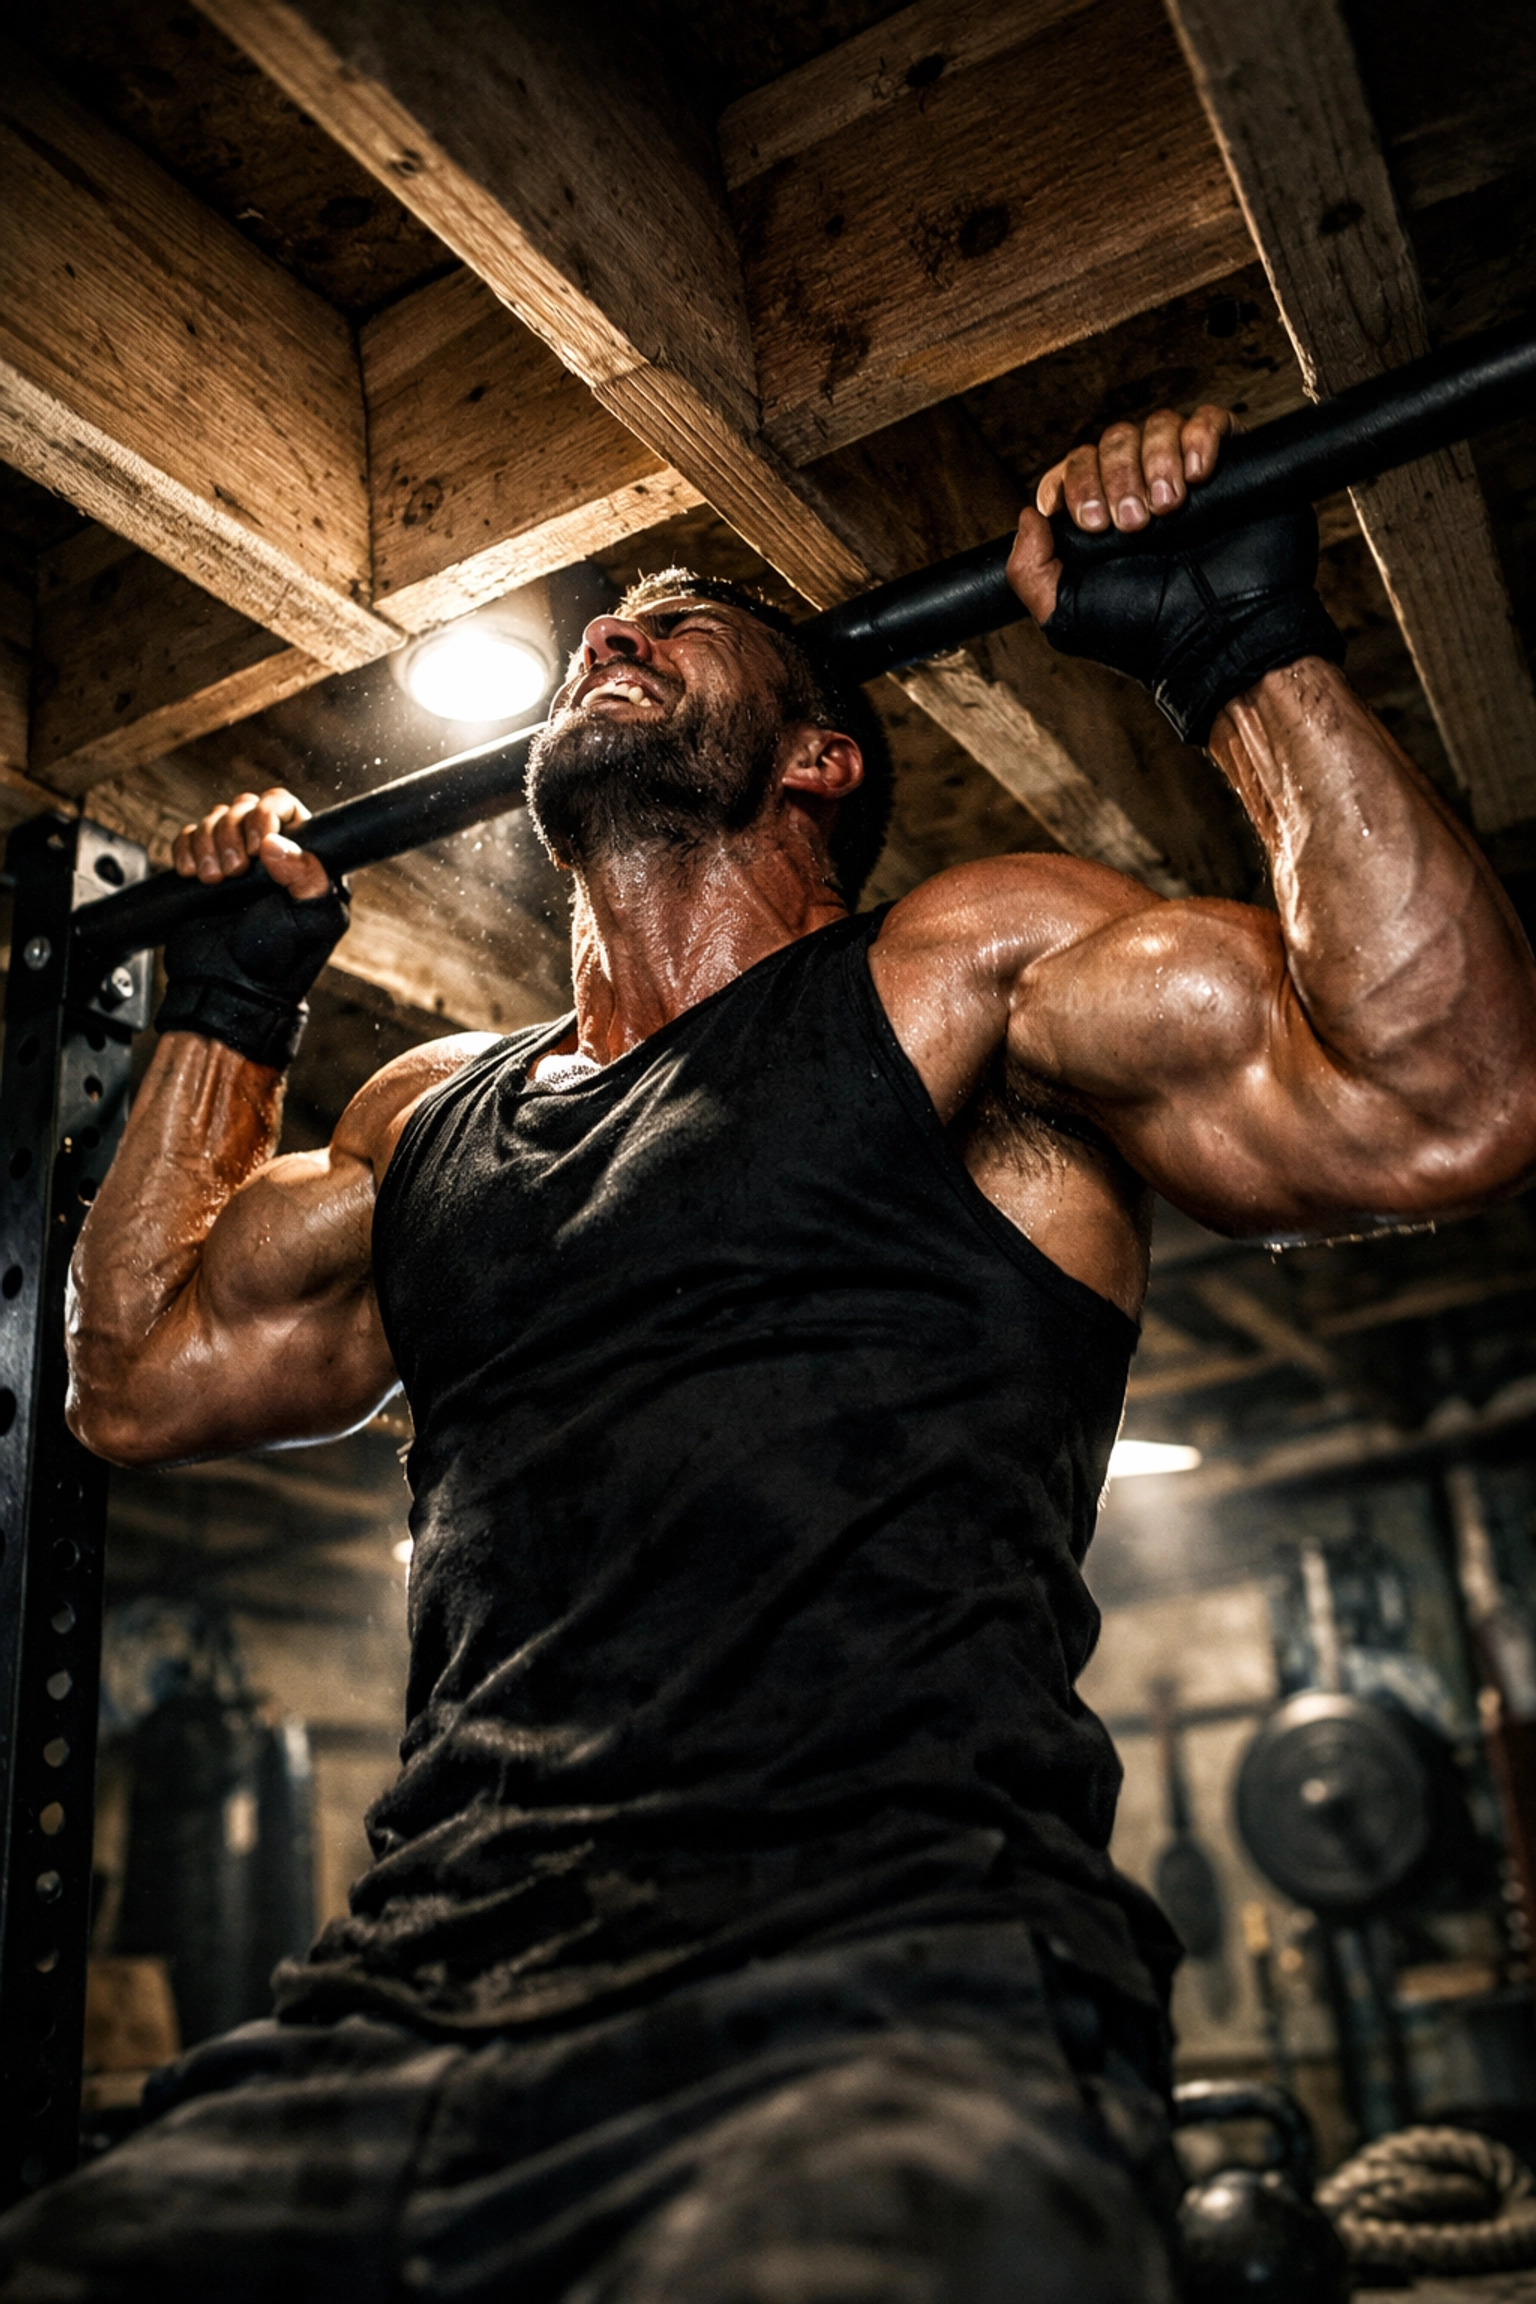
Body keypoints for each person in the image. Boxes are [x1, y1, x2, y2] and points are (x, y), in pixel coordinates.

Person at [7, 405, 1535, 2304]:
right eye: (604, 628)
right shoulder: (429, 1121)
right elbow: (132, 1375)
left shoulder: (960, 979)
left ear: (821, 754)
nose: (609, 634)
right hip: (408, 1999)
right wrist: (227, 1006)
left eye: (682, 624)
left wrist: (1242, 651)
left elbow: (1440, 1101)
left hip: (884, 1985)